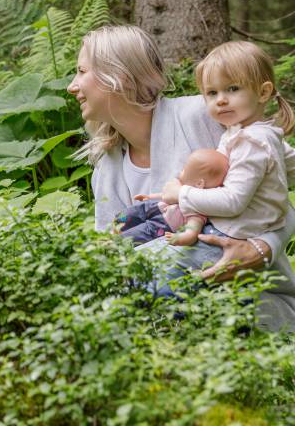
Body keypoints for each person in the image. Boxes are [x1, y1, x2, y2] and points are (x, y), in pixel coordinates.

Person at [67, 25, 295, 331]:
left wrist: (262, 248)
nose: (72, 86)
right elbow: (109, 261)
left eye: (82, 71)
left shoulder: (205, 115)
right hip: (165, 316)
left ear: (118, 76)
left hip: (252, 302)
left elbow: (276, 195)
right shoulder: (106, 167)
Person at [141, 41, 295, 295]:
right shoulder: (255, 135)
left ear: (263, 92)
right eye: (212, 93)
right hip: (232, 230)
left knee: (157, 274)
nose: (221, 100)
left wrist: (181, 194)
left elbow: (233, 201)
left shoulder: (251, 142)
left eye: (232, 89)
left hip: (232, 235)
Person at [115, 148, 228, 246]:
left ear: (199, 184)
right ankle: (117, 223)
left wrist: (180, 238)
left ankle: (117, 243)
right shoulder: (181, 190)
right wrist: (149, 197)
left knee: (139, 234)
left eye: (184, 170)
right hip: (155, 208)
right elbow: (166, 196)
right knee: (134, 212)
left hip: (159, 226)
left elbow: (192, 231)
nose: (180, 172)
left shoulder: (197, 210)